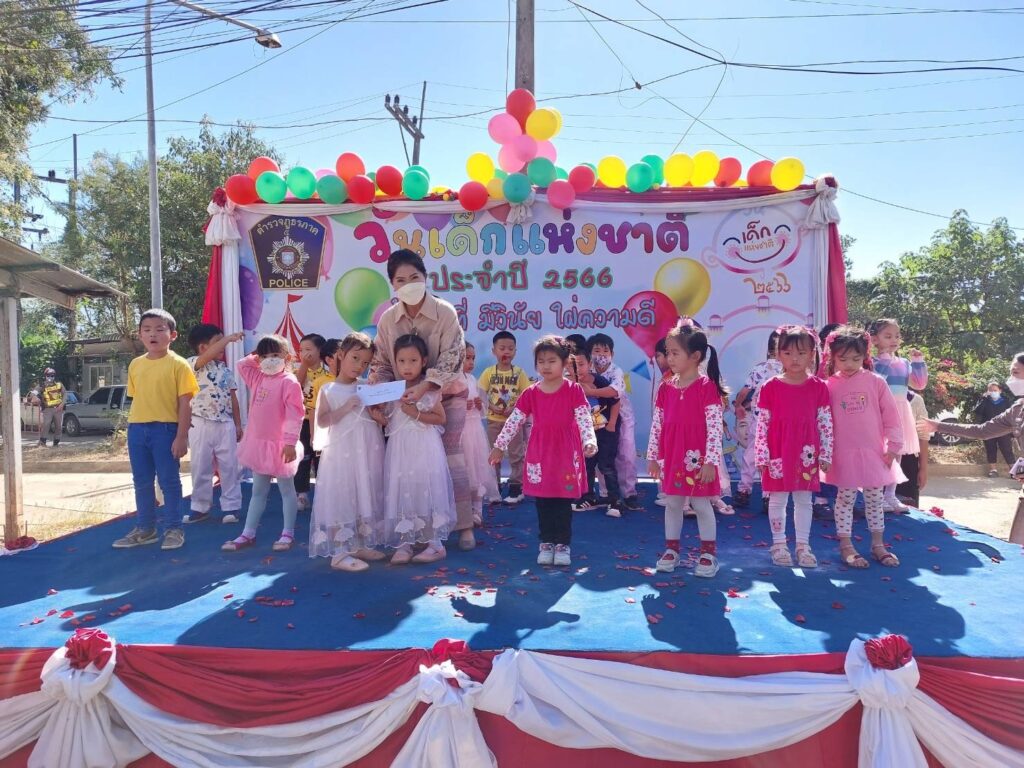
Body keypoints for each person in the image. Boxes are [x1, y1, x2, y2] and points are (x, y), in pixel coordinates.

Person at [369, 249, 476, 550]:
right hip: (405, 401)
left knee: (451, 456)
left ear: (426, 277)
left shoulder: (445, 312)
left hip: (447, 395)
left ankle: (464, 525)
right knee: (410, 464)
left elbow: (453, 358)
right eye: (400, 280)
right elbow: (381, 363)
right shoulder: (388, 320)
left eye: (414, 277)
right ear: (392, 284)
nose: (408, 284)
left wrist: (426, 386)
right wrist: (377, 396)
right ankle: (417, 530)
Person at [490, 335, 597, 567]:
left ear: (564, 362)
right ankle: (546, 542)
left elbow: (584, 418)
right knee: (543, 501)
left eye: (551, 361)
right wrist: (499, 445)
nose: (545, 366)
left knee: (563, 501)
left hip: (566, 453)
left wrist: (589, 440)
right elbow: (514, 420)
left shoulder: (574, 390)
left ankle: (563, 544)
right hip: (540, 453)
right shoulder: (531, 392)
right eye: (541, 361)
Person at [112, 308, 198, 551]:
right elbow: (138, 397)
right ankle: (145, 529)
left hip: (166, 430)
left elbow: (186, 403)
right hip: (137, 429)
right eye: (147, 330)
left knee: (169, 481)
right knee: (141, 481)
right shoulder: (136, 364)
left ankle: (173, 529)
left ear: (173, 335)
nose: (153, 334)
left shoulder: (179, 365)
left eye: (160, 330)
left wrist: (181, 436)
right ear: (140, 335)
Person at [646, 320, 727, 578]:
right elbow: (657, 424)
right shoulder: (665, 387)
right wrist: (653, 457)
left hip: (698, 458)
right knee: (673, 503)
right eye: (667, 353)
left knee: (701, 504)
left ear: (695, 356)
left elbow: (714, 428)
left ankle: (708, 554)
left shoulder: (707, 388)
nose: (669, 358)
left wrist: (710, 462)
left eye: (674, 353)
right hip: (673, 456)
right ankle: (671, 550)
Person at [920, 352, 1024, 544]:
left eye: (1015, 373)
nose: (1011, 379)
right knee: (1017, 546)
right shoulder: (1017, 409)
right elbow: (982, 431)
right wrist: (938, 426)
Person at [822, 327, 903, 568]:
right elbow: (822, 422)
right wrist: (824, 452)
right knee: (845, 499)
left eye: (856, 359)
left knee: (875, 499)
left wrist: (894, 445)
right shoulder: (828, 385)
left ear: (865, 357)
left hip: (873, 452)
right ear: (832, 357)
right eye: (843, 359)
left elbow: (891, 415)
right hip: (842, 452)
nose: (849, 364)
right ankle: (846, 545)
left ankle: (878, 545)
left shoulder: (876, 382)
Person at [755, 325, 834, 568]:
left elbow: (825, 422)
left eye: (801, 353)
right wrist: (762, 455)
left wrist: (826, 453)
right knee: (777, 499)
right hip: (777, 450)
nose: (795, 359)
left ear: (812, 354)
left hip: (806, 453)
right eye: (788, 353)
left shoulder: (819, 387)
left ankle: (803, 545)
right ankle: (779, 544)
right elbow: (762, 423)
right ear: (778, 355)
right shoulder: (770, 386)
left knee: (804, 500)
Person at [310, 333, 387, 572]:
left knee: (364, 492)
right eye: (355, 358)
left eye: (365, 363)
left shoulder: (367, 388)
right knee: (342, 496)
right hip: (341, 453)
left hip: (366, 450)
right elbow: (322, 421)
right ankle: (339, 552)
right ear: (341, 355)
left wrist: (377, 411)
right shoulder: (329, 389)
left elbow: (379, 415)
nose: (359, 366)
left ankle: (359, 544)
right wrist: (345, 407)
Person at [222, 335, 305, 553]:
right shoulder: (257, 378)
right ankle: (248, 533)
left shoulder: (289, 382)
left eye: (275, 355)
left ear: (287, 357)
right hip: (258, 447)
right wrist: (257, 356)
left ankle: (287, 533)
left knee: (287, 491)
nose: (270, 360)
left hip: (281, 447)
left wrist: (290, 443)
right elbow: (242, 364)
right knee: (258, 491)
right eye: (265, 356)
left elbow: (295, 414)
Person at [381, 334, 455, 565]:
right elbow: (388, 419)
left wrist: (416, 414)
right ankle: (405, 542)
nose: (407, 366)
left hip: (425, 448)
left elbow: (440, 418)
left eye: (413, 361)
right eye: (401, 361)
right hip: (400, 449)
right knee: (403, 489)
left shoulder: (429, 389)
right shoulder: (392, 389)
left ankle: (435, 544)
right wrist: (378, 416)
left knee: (427, 489)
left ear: (423, 361)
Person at [183, 325, 244, 525]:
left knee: (229, 466)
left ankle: (231, 507)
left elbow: (233, 398)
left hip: (225, 423)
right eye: (218, 341)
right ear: (203, 347)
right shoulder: (193, 363)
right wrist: (229, 338)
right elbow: (205, 358)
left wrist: (238, 424)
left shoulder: (225, 369)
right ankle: (200, 507)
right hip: (199, 422)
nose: (223, 345)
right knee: (201, 466)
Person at [870, 318, 928, 512]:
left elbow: (919, 384)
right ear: (875, 340)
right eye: (888, 336)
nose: (894, 340)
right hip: (881, 411)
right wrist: (885, 361)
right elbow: (877, 382)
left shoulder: (903, 362)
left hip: (901, 411)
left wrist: (918, 362)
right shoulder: (872, 362)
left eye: (897, 336)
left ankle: (890, 495)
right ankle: (876, 496)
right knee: (881, 453)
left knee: (897, 453)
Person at [587, 333, 641, 510]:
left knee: (626, 455)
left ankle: (629, 493)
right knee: (603, 456)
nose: (601, 355)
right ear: (589, 354)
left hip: (622, 418)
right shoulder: (587, 372)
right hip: (598, 419)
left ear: (612, 354)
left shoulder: (616, 371)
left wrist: (590, 391)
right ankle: (606, 494)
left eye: (606, 351)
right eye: (597, 351)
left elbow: (613, 391)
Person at [447, 342, 499, 526]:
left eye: (473, 358)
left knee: (477, 469)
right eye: (466, 358)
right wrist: (460, 405)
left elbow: (482, 408)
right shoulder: (451, 382)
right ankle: (463, 511)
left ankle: (477, 510)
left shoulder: (472, 379)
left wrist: (479, 405)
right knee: (463, 470)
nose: (471, 362)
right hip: (459, 432)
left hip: (474, 430)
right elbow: (446, 407)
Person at [479, 331, 531, 504]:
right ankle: (495, 487)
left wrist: (515, 408)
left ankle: (517, 486)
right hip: (494, 421)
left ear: (515, 351)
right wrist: (491, 406)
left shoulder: (519, 373)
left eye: (510, 348)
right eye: (502, 348)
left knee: (516, 454)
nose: (506, 352)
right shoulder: (488, 372)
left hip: (515, 423)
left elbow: (527, 395)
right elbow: (481, 394)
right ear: (494, 351)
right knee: (494, 454)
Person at [732, 330, 782, 508]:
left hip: (760, 422)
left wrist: (738, 405)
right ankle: (768, 495)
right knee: (773, 458)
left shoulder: (760, 369)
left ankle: (744, 490)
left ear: (769, 350)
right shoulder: (789, 371)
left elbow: (744, 391)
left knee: (751, 456)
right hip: (779, 424)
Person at [570, 347, 621, 517]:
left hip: (606, 431)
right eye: (572, 366)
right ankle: (588, 497)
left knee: (606, 465)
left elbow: (616, 401)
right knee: (587, 465)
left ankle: (615, 500)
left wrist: (612, 424)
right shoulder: (569, 385)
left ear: (589, 364)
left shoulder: (600, 381)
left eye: (581, 364)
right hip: (585, 434)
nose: (577, 369)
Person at [294, 333, 332, 511]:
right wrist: (304, 365)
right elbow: (295, 386)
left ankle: (322, 495)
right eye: (301, 350)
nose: (304, 353)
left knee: (321, 459)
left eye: (308, 349)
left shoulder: (328, 374)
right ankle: (301, 495)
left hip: (321, 422)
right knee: (302, 458)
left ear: (320, 351)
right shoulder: (298, 371)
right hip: (301, 422)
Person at [896, 391, 929, 507]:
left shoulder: (916, 400)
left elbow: (923, 437)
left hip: (908, 462)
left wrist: (923, 469)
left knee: (909, 506)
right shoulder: (877, 396)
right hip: (883, 460)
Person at [974, 381, 1015, 477]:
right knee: (990, 449)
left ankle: (1014, 471)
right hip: (988, 430)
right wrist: (984, 399)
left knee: (1007, 449)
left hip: (1003, 430)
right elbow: (978, 411)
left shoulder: (1006, 401)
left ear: (1000, 390)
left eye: (995, 390)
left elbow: (1012, 415)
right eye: (990, 390)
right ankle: (993, 470)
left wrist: (1012, 430)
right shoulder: (985, 401)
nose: (993, 392)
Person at [37, 367, 66, 448]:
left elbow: (65, 394)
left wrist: (62, 404)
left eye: (52, 375)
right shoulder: (42, 385)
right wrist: (34, 397)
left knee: (59, 426)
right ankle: (42, 442)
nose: (50, 377)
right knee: (46, 425)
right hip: (47, 409)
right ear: (45, 376)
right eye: (48, 375)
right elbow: (33, 392)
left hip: (58, 409)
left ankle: (56, 443)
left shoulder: (59, 385)